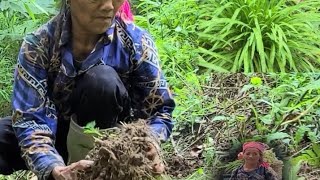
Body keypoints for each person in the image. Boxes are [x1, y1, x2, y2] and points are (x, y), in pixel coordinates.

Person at [0, 0, 175, 179]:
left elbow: (159, 111)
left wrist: (148, 141)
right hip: (54, 135)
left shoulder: (136, 43)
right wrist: (52, 167)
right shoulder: (38, 46)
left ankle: (99, 172)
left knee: (101, 82)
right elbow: (30, 119)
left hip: (109, 139)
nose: (108, 6)